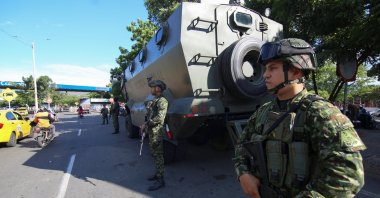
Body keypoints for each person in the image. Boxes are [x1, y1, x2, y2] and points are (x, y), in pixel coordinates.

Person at [233, 38, 366, 197]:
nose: (265, 75)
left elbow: (348, 177)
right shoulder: (262, 112)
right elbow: (242, 144)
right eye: (266, 69)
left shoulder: (321, 114)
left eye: (273, 68)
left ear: (296, 71)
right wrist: (243, 172)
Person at [140, 79, 168, 191]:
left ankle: (161, 180)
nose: (151, 89)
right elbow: (151, 115)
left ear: (158, 88)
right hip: (152, 131)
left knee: (158, 155)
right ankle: (157, 174)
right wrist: (145, 124)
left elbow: (160, 118)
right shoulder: (155, 100)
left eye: (153, 87)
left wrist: (146, 124)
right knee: (155, 154)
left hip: (157, 132)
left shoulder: (162, 101)